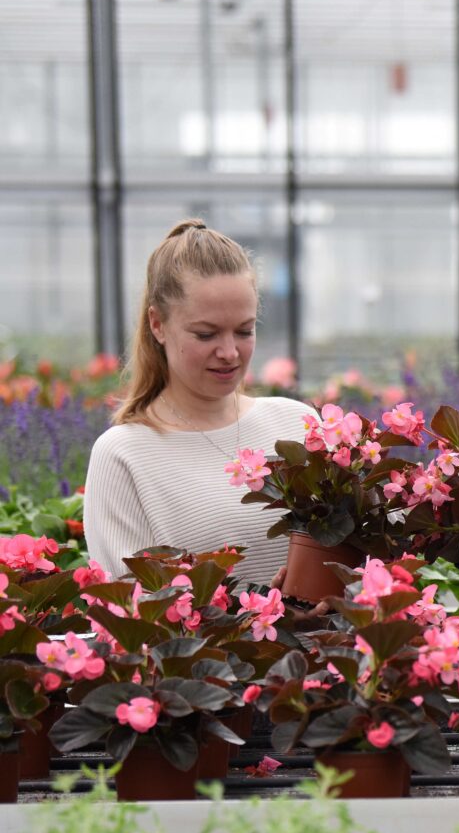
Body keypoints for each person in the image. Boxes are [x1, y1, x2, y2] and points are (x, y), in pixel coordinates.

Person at [83, 220, 316, 584]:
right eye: (206, 334)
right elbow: (131, 602)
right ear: (157, 324)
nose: (229, 352)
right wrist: (258, 611)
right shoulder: (124, 455)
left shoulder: (297, 424)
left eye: (244, 330)